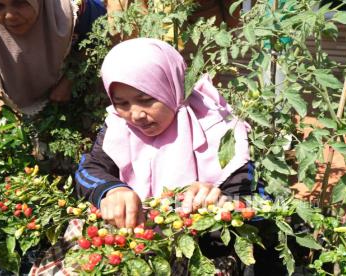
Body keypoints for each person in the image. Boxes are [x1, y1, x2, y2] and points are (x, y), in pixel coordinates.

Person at [0, 0, 106, 202]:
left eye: (19, 3)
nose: (9, 15)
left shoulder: (73, 9)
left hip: (93, 102)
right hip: (45, 114)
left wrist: (70, 78)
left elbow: (104, 32)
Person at [75, 37, 253, 229]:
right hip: (136, 244)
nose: (136, 115)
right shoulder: (118, 126)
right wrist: (110, 190)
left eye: (146, 99)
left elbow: (256, 205)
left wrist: (220, 200)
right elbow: (89, 168)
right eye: (122, 103)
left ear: (172, 87)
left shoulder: (222, 129)